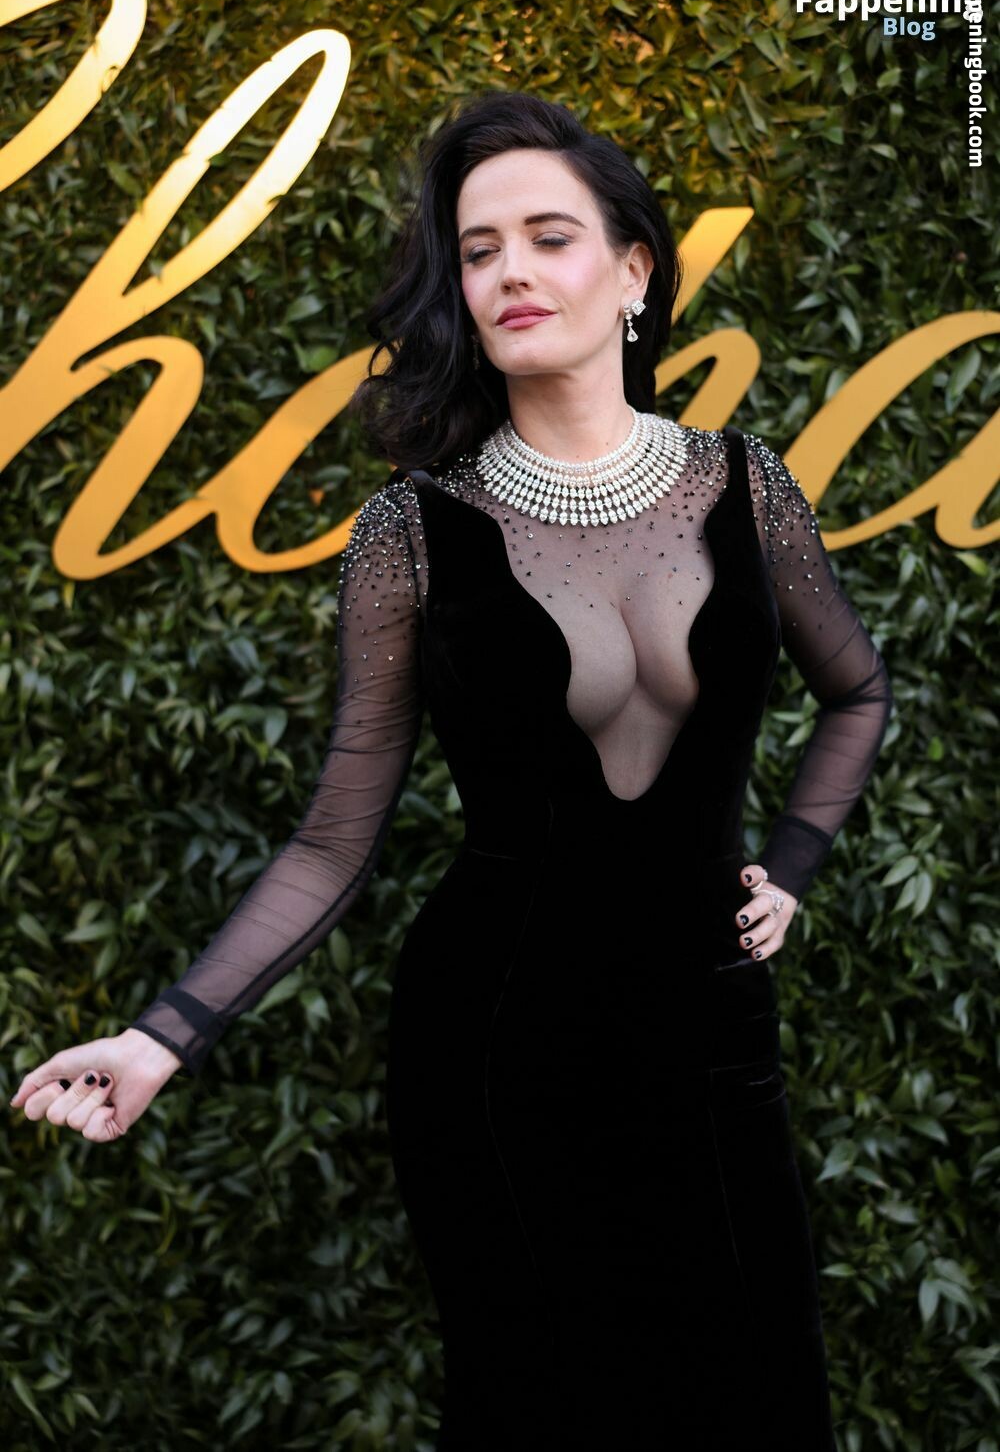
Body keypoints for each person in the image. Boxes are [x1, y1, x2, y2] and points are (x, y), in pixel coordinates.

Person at [9, 92, 892, 1449]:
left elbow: (859, 692)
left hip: (711, 1034)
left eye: (548, 236)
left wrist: (794, 864)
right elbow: (334, 835)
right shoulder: (411, 532)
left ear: (634, 271)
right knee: (537, 1409)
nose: (510, 272)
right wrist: (163, 1034)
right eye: (480, 252)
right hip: (494, 1050)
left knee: (759, 1394)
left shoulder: (743, 484)